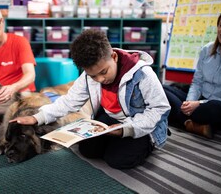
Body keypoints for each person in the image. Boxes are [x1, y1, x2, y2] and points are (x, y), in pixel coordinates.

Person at [15, 29, 170, 169]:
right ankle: (118, 141)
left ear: (114, 57)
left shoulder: (143, 73)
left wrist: (126, 130)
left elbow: (160, 109)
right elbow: (69, 101)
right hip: (114, 119)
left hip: (143, 123)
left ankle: (148, 143)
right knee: (87, 150)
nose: (100, 79)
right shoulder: (90, 75)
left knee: (118, 160)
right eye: (93, 75)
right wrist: (38, 117)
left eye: (104, 72)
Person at [163, 8, 221, 138]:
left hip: (220, 106)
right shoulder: (206, 50)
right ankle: (189, 123)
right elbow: (197, 82)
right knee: (162, 89)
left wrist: (198, 104)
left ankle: (182, 118)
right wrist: (189, 102)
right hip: (200, 100)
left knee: (212, 108)